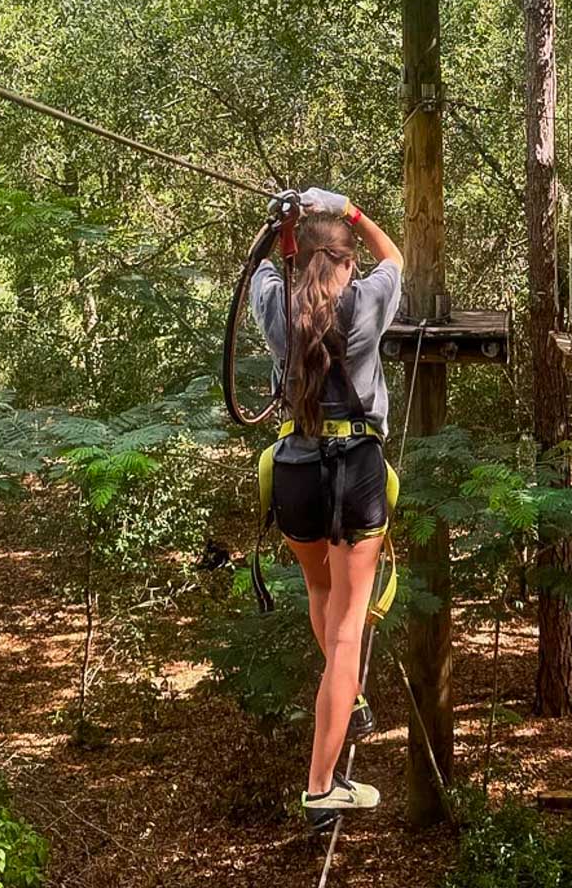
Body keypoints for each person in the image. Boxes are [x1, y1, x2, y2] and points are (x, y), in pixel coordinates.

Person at [250, 186, 403, 832]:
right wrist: (354, 213)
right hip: (354, 473)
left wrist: (280, 226)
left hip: (295, 474)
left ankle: (352, 699)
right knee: (347, 632)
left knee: (321, 590)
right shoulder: (365, 303)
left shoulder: (278, 308)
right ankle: (320, 787)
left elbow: (257, 267)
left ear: (301, 261)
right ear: (345, 264)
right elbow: (397, 257)